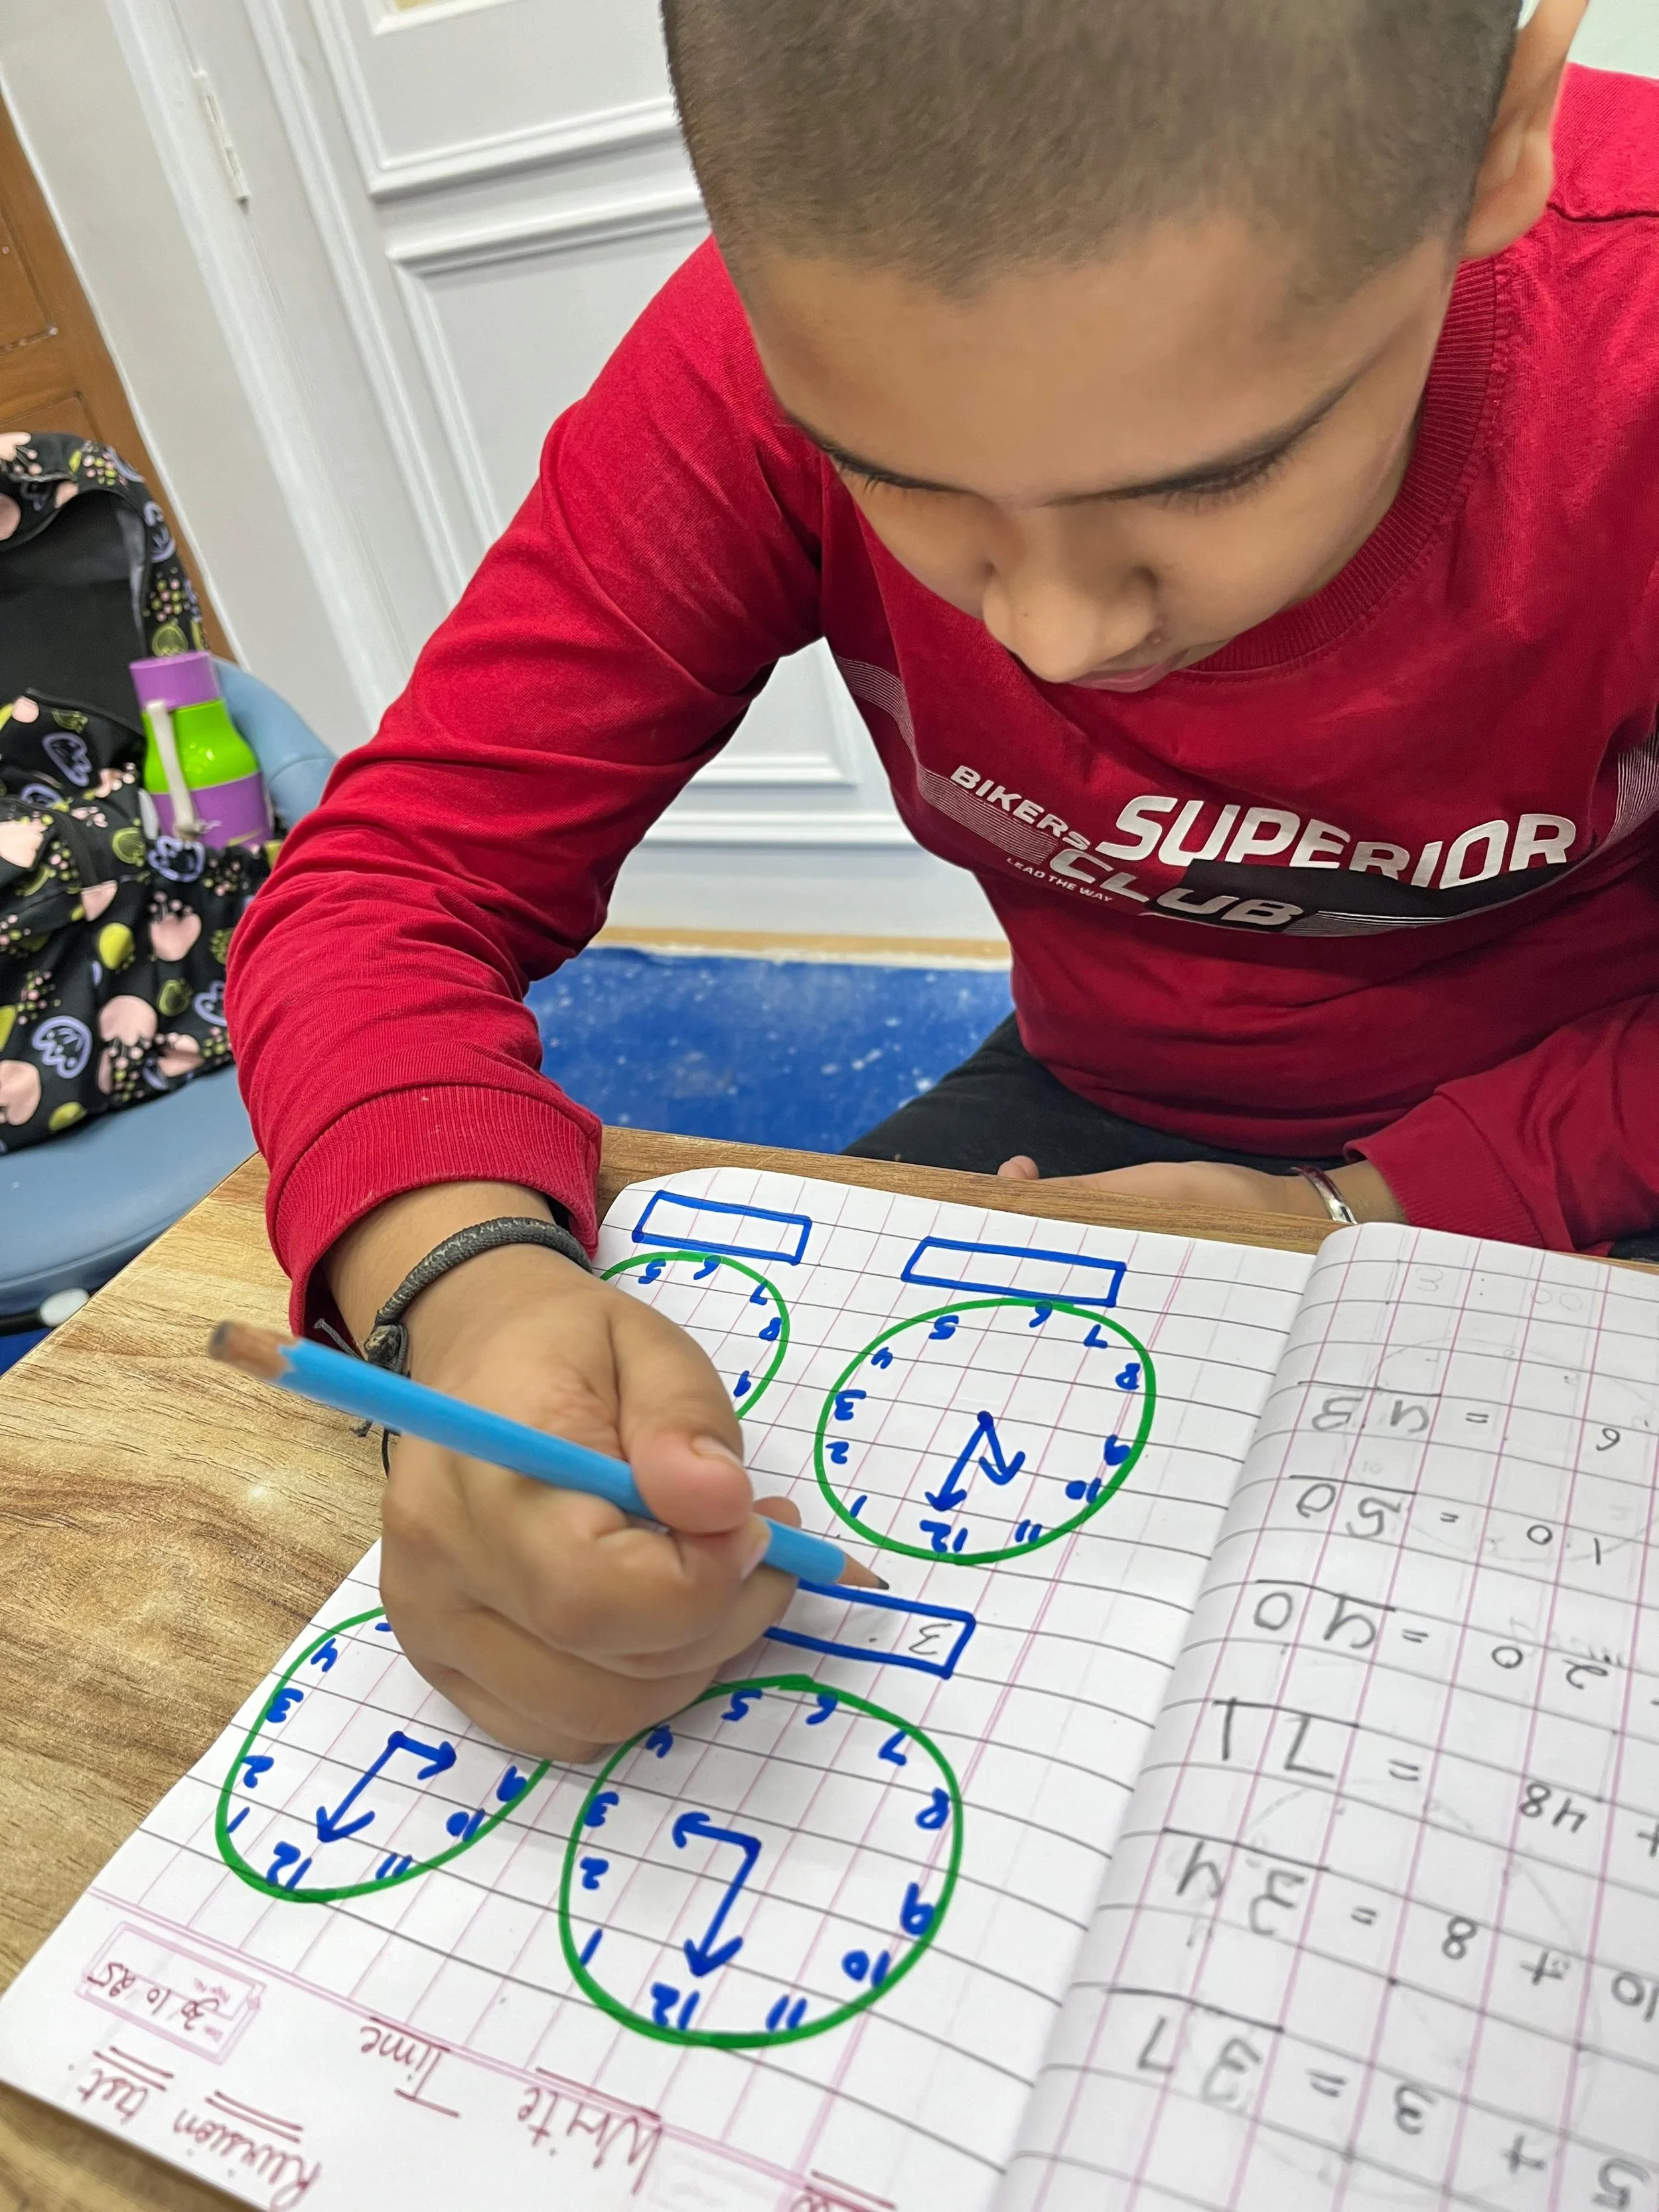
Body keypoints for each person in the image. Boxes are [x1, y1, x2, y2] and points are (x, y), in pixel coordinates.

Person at [228, 0, 1659, 1757]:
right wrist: (463, 1281)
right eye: (894, 475)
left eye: (1215, 477)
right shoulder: (744, 366)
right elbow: (385, 887)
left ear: (1497, 137)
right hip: (1097, 1101)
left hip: (1598, 1114)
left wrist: (1366, 1208)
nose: (1051, 632)